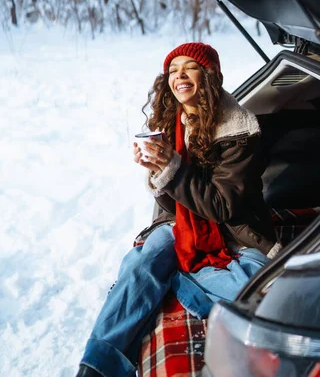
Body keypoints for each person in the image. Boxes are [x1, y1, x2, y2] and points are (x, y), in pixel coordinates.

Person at [76, 42, 280, 377]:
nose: (179, 76)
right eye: (173, 69)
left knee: (251, 296)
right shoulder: (174, 123)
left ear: (210, 75)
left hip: (237, 234)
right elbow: (172, 205)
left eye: (190, 67)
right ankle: (99, 365)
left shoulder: (240, 129)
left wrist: (171, 168)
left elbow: (221, 206)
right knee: (142, 264)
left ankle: (178, 279)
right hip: (181, 224)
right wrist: (158, 170)